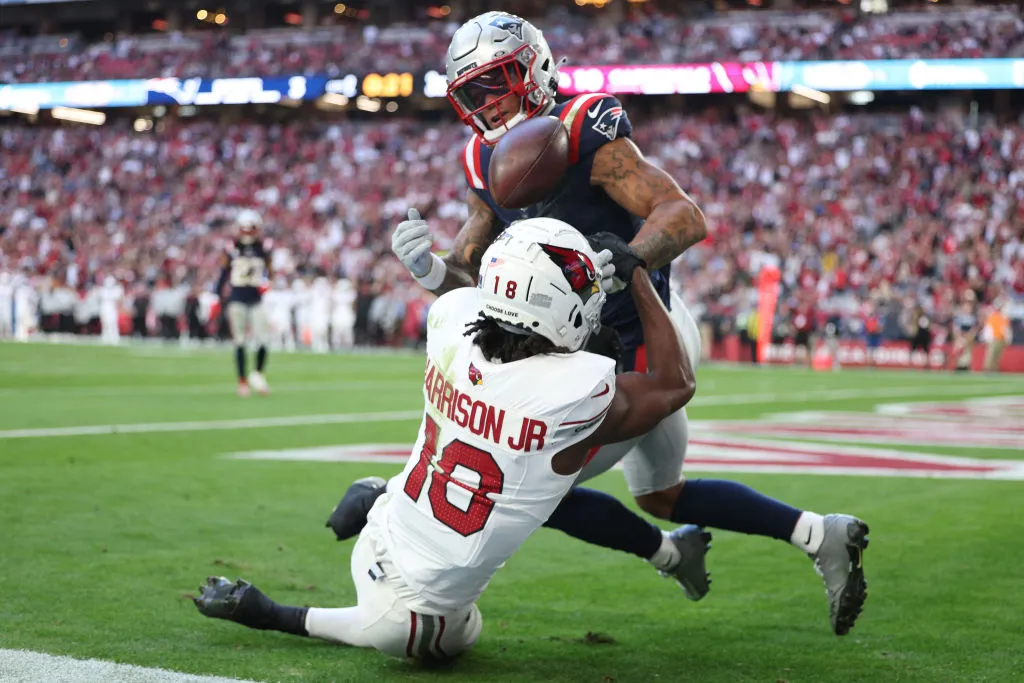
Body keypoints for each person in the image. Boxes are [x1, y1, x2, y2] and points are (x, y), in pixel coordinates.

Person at [348, 11, 870, 636]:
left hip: (641, 344)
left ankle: (398, 497)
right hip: (596, 353)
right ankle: (815, 534)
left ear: (534, 69)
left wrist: (626, 259)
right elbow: (472, 272)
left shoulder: (583, 131)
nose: (488, 105)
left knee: (535, 481)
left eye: (498, 83)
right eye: (473, 92)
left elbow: (684, 215)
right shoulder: (484, 160)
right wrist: (432, 269)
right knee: (660, 495)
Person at [194, 218, 706, 659]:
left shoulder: (451, 323)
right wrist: (639, 274)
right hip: (418, 617)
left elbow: (463, 297)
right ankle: (279, 601)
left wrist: (429, 269)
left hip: (384, 530)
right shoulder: (575, 390)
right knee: (447, 633)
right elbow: (675, 383)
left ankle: (376, 491)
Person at [216, 209, 272, 397]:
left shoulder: (263, 249)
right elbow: (224, 272)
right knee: (240, 341)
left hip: (256, 299)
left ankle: (257, 374)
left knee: (263, 339)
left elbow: (268, 274)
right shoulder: (232, 249)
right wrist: (218, 295)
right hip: (238, 299)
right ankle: (242, 380)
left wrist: (267, 285)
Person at [99, 275, 124, 345]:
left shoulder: (117, 289)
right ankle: (105, 336)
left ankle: (114, 336)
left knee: (112, 322)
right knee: (105, 322)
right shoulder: (103, 289)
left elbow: (119, 299)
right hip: (104, 307)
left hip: (112, 307)